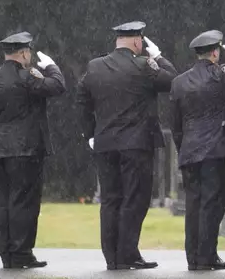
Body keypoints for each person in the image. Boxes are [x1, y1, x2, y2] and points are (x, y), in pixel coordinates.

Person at [76, 21, 177, 270]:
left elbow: (81, 98)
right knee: (135, 199)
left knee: (111, 200)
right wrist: (159, 56)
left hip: (105, 144)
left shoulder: (95, 66)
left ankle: (112, 256)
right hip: (135, 144)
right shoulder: (144, 65)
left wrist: (90, 133)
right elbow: (173, 81)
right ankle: (127, 254)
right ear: (137, 42)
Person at [169, 30, 225, 271]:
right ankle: (207, 256)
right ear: (216, 52)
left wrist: (183, 148)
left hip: (190, 151)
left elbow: (175, 125)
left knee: (194, 206)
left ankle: (194, 257)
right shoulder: (223, 76)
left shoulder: (179, 82)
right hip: (218, 151)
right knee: (213, 205)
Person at [0, 32, 66, 269]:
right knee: (24, 202)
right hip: (25, 150)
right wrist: (52, 66)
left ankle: (6, 252)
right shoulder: (28, 77)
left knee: (3, 202)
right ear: (25, 53)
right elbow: (58, 86)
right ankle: (21, 252)